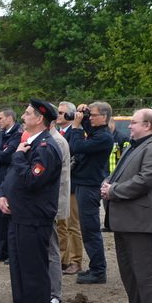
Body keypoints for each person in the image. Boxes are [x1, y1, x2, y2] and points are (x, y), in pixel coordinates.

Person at [0, 100, 62, 303]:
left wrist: (18, 158)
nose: (23, 116)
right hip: (18, 216)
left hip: (34, 218)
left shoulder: (45, 148)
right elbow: (12, 178)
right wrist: (2, 195)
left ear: (40, 119)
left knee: (33, 271)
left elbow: (33, 181)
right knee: (18, 269)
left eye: (28, 113)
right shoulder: (27, 145)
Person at [101, 108, 152, 303]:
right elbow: (120, 173)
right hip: (125, 220)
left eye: (134, 122)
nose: (129, 126)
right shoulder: (136, 146)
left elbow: (144, 181)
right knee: (129, 271)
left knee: (146, 272)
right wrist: (108, 183)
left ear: (148, 125)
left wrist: (114, 190)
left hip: (141, 222)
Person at [68, 101, 114, 284]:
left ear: (104, 117)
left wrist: (76, 127)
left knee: (90, 229)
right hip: (83, 183)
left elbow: (77, 146)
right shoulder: (98, 133)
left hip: (89, 186)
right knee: (87, 229)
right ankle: (96, 267)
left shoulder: (104, 137)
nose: (90, 118)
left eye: (93, 115)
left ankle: (98, 270)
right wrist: (83, 113)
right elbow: (88, 129)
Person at [55, 101, 83, 275]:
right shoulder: (59, 133)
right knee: (61, 225)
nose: (58, 115)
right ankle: (63, 259)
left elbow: (76, 156)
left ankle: (76, 260)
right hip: (60, 184)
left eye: (61, 112)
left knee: (73, 225)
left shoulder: (76, 132)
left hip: (71, 184)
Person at [47, 118, 71, 303]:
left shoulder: (58, 141)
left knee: (51, 250)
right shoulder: (46, 139)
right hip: (45, 204)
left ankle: (55, 294)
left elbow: (59, 179)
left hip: (51, 204)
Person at [0, 108, 22, 263]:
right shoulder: (2, 134)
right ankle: (2, 249)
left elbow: (7, 155)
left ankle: (10, 251)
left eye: (0, 118)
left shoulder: (17, 134)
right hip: (0, 178)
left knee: (8, 217)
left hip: (9, 177)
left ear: (10, 118)